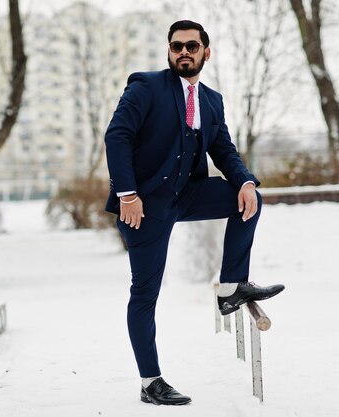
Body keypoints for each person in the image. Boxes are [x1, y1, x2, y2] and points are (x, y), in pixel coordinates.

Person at [104, 20, 285, 406]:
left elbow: (224, 151)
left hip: (186, 194)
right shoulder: (146, 86)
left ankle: (232, 286)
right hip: (144, 206)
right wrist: (128, 195)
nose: (183, 51)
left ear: (206, 51)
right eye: (176, 46)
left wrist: (247, 182)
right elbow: (116, 136)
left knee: (247, 199)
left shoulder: (212, 100)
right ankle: (150, 381)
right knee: (145, 294)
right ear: (169, 52)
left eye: (191, 45)